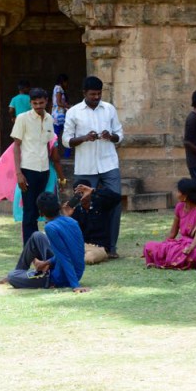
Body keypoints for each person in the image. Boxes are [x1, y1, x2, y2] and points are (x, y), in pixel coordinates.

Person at [64, 76, 124, 258]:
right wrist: (84, 138)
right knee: (79, 206)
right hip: (85, 167)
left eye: (99, 94)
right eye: (92, 94)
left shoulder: (109, 109)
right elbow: (66, 141)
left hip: (109, 163)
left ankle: (111, 248)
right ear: (84, 93)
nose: (96, 97)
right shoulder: (74, 112)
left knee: (115, 203)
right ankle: (81, 245)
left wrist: (110, 136)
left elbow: (120, 135)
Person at [11, 87, 67, 245]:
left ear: (46, 101)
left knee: (40, 211)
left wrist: (59, 175)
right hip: (28, 170)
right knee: (29, 211)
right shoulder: (22, 118)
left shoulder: (49, 118)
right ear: (30, 103)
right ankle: (29, 248)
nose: (37, 106)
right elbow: (16, 146)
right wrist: (18, 173)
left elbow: (50, 146)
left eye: (40, 103)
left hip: (44, 171)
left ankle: (39, 244)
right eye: (34, 103)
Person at [2, 192, 89, 292]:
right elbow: (71, 251)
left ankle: (20, 274)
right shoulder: (72, 221)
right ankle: (20, 271)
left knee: (12, 276)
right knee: (37, 235)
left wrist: (75, 285)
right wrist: (46, 263)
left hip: (60, 277)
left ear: (41, 213)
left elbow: (65, 256)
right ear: (59, 206)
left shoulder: (50, 227)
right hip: (75, 270)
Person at [143, 179, 196, 269]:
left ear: (185, 195)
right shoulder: (179, 207)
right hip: (181, 244)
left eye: (178, 191)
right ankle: (171, 261)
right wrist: (164, 246)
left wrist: (191, 247)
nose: (176, 194)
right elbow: (173, 233)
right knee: (149, 246)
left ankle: (166, 262)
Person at [67, 182, 114, 265]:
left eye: (83, 192)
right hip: (83, 246)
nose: (81, 196)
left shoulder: (101, 204)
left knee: (89, 258)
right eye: (78, 194)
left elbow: (116, 197)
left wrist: (93, 190)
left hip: (99, 248)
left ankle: (73, 259)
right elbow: (69, 234)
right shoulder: (76, 211)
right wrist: (67, 217)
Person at [52, 73, 70, 158]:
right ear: (63, 81)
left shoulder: (56, 88)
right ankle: (65, 156)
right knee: (67, 134)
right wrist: (69, 106)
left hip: (56, 114)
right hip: (59, 115)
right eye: (66, 82)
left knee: (55, 136)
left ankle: (54, 155)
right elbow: (59, 103)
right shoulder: (59, 88)